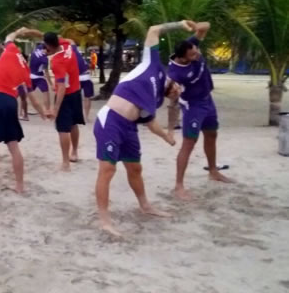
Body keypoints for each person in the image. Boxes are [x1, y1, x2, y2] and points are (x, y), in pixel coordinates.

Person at [93, 21, 187, 237]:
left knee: (135, 169)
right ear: (173, 82)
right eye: (176, 89)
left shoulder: (155, 101)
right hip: (111, 121)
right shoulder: (152, 65)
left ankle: (146, 206)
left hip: (129, 128)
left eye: (177, 94)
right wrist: (180, 25)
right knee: (108, 170)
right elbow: (154, 29)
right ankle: (104, 220)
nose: (176, 92)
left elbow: (149, 122)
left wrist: (166, 136)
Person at [0, 27, 48, 203]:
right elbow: (33, 100)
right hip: (10, 102)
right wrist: (44, 114)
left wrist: (22, 30)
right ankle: (20, 185)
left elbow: (10, 36)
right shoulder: (25, 70)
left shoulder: (11, 50)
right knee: (13, 146)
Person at [168, 21, 234, 201]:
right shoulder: (176, 73)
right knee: (189, 143)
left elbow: (207, 26)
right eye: (192, 54)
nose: (197, 53)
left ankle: (213, 171)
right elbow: (170, 92)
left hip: (207, 100)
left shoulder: (190, 45)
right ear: (183, 58)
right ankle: (179, 185)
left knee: (212, 134)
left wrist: (195, 26)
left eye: (196, 51)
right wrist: (173, 92)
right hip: (192, 107)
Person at [43, 32, 85, 171]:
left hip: (65, 95)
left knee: (62, 129)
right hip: (76, 92)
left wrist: (55, 109)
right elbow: (70, 39)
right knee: (73, 124)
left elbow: (61, 87)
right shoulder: (66, 45)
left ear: (49, 45)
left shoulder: (57, 62)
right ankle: (75, 153)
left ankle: (65, 162)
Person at [28, 43, 53, 111]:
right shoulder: (45, 59)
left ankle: (24, 110)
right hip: (38, 77)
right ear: (47, 50)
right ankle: (47, 110)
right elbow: (46, 72)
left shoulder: (38, 48)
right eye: (50, 53)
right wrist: (51, 84)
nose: (50, 54)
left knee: (29, 92)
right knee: (46, 92)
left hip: (30, 75)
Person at [73, 44, 94, 122]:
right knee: (87, 98)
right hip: (86, 77)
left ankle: (79, 115)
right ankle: (86, 116)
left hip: (79, 78)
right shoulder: (79, 57)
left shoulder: (72, 55)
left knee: (76, 97)